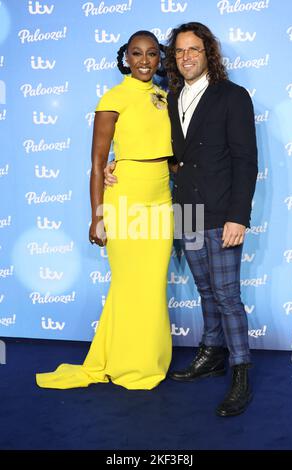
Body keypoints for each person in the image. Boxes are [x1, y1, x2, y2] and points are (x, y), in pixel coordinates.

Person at [105, 22, 258, 416]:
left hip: (222, 211)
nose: (186, 57)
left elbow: (245, 160)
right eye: (180, 51)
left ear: (209, 54)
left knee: (226, 295)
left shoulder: (233, 96)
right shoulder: (169, 99)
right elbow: (163, 151)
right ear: (174, 59)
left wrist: (239, 217)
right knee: (206, 290)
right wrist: (113, 164)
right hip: (186, 212)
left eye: (194, 50)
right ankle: (212, 354)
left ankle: (241, 370)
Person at [36, 30, 174, 391]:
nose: (144, 61)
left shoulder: (164, 96)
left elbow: (170, 154)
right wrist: (97, 216)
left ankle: (141, 359)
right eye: (136, 54)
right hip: (125, 198)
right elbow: (98, 163)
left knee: (151, 285)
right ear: (125, 58)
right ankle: (129, 365)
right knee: (131, 284)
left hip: (161, 198)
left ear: (160, 58)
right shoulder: (113, 97)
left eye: (152, 54)